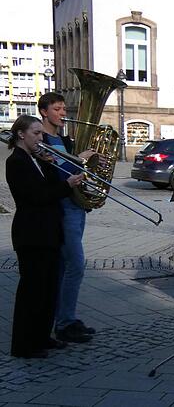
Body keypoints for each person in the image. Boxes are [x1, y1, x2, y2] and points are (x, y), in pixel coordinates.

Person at [6, 115, 83, 358]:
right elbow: (36, 196)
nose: (41, 138)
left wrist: (50, 165)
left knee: (49, 289)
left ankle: (42, 337)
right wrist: (67, 184)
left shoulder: (36, 160)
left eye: (41, 134)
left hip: (49, 232)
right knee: (32, 291)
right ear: (21, 134)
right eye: (36, 134)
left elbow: (49, 187)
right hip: (32, 234)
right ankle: (24, 345)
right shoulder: (16, 161)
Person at [38, 92, 98, 344]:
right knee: (75, 265)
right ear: (44, 112)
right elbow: (56, 174)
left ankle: (65, 319)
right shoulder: (41, 140)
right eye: (57, 109)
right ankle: (64, 322)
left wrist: (93, 163)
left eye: (64, 108)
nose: (63, 113)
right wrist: (79, 161)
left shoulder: (65, 139)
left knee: (65, 267)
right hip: (62, 208)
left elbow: (77, 172)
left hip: (76, 206)